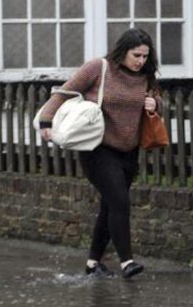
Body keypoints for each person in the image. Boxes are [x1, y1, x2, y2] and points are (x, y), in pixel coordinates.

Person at [39, 28, 162, 279]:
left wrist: (155, 103)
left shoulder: (146, 76)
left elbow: (157, 99)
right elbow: (64, 92)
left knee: (110, 206)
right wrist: (45, 121)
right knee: (119, 201)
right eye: (136, 55)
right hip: (98, 149)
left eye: (145, 56)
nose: (140, 61)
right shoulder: (99, 68)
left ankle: (92, 265)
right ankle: (127, 262)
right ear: (123, 51)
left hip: (128, 151)